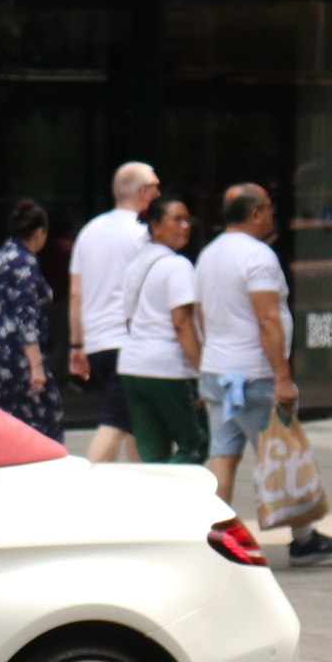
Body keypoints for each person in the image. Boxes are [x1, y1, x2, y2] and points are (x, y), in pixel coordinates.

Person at [195, 182, 332, 566]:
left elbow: (202, 315)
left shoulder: (208, 254)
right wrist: (282, 378)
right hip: (253, 376)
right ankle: (303, 539)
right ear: (254, 214)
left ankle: (207, 536)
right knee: (282, 454)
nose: (272, 214)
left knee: (223, 455)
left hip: (219, 372)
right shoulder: (258, 257)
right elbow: (268, 318)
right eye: (268, 208)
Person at [69, 161, 157, 463]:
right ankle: (87, 490)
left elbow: (75, 293)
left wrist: (77, 344)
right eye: (156, 187)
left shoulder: (88, 232)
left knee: (136, 424)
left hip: (97, 343)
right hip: (129, 343)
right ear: (143, 192)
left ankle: (142, 493)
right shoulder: (142, 234)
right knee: (115, 422)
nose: (160, 193)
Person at [117, 199, 204, 464]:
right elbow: (182, 322)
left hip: (133, 366)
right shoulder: (178, 266)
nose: (185, 226)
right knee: (195, 445)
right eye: (177, 219)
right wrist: (202, 371)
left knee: (153, 453)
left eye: (187, 219)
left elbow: (130, 318)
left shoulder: (137, 264)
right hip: (168, 368)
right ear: (155, 226)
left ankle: (153, 502)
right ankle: (170, 500)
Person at [0, 199, 63, 440]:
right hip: (15, 354)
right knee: (47, 417)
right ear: (39, 232)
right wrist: (36, 366)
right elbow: (26, 317)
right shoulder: (26, 263)